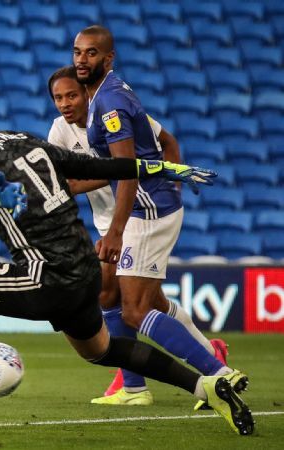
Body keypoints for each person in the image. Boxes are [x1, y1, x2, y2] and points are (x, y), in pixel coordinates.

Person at [0, 83, 253, 436]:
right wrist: (161, 167)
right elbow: (97, 165)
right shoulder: (23, 139)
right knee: (101, 350)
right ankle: (206, 386)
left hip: (46, 276)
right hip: (86, 271)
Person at [73, 25, 240, 410]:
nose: (82, 59)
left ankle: (218, 375)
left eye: (91, 53)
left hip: (146, 212)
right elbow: (129, 164)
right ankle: (148, 383)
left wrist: (115, 232)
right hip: (149, 207)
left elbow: (127, 171)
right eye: (78, 52)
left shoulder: (110, 103)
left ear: (108, 58)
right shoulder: (106, 94)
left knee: (136, 309)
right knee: (135, 300)